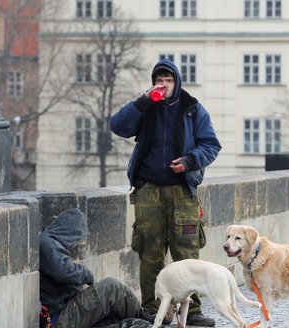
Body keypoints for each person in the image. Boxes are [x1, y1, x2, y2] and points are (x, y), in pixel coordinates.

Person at [110, 59, 221, 326]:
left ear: (177, 82)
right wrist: (142, 102)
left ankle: (191, 312)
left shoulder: (192, 109)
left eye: (168, 80)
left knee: (186, 252)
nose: (163, 84)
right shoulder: (146, 108)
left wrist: (189, 161)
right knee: (150, 251)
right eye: (159, 80)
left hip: (182, 189)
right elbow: (118, 126)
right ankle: (152, 308)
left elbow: (211, 145)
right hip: (148, 189)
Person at [39, 208, 151, 328]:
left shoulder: (51, 244)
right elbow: (64, 271)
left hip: (64, 315)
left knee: (118, 319)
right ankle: (145, 317)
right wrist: (87, 275)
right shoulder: (47, 243)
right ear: (68, 231)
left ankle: (146, 319)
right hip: (60, 319)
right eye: (75, 240)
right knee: (111, 287)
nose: (74, 245)